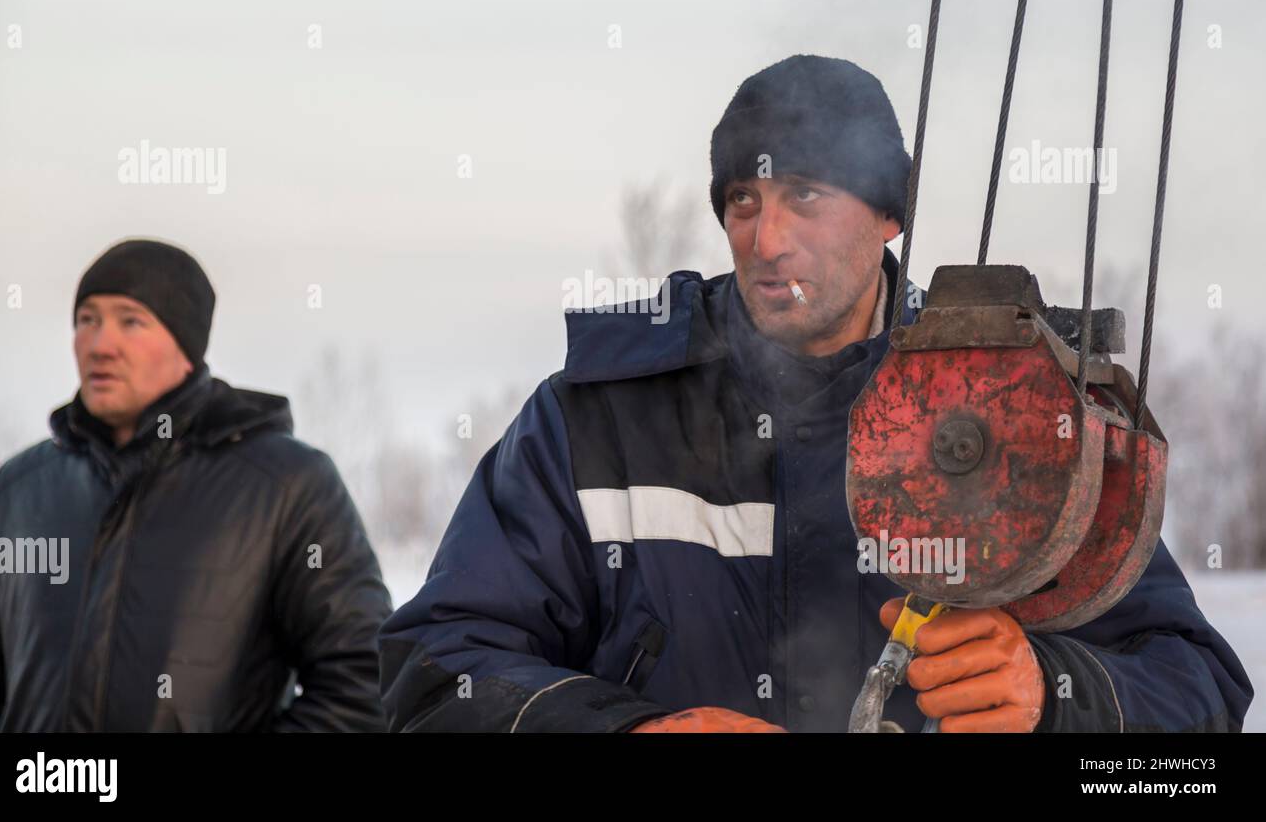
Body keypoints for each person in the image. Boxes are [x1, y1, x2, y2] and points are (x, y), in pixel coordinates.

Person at [378, 55, 1253, 732]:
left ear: (889, 215)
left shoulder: (1009, 403)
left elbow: (1198, 696)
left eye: (805, 194)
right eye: (743, 200)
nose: (766, 239)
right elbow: (433, 671)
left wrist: (1055, 694)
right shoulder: (595, 414)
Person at [0, 238, 392, 731]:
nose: (101, 344)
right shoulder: (22, 489)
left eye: (131, 320)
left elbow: (362, 684)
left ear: (186, 347)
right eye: (87, 319)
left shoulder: (285, 485)